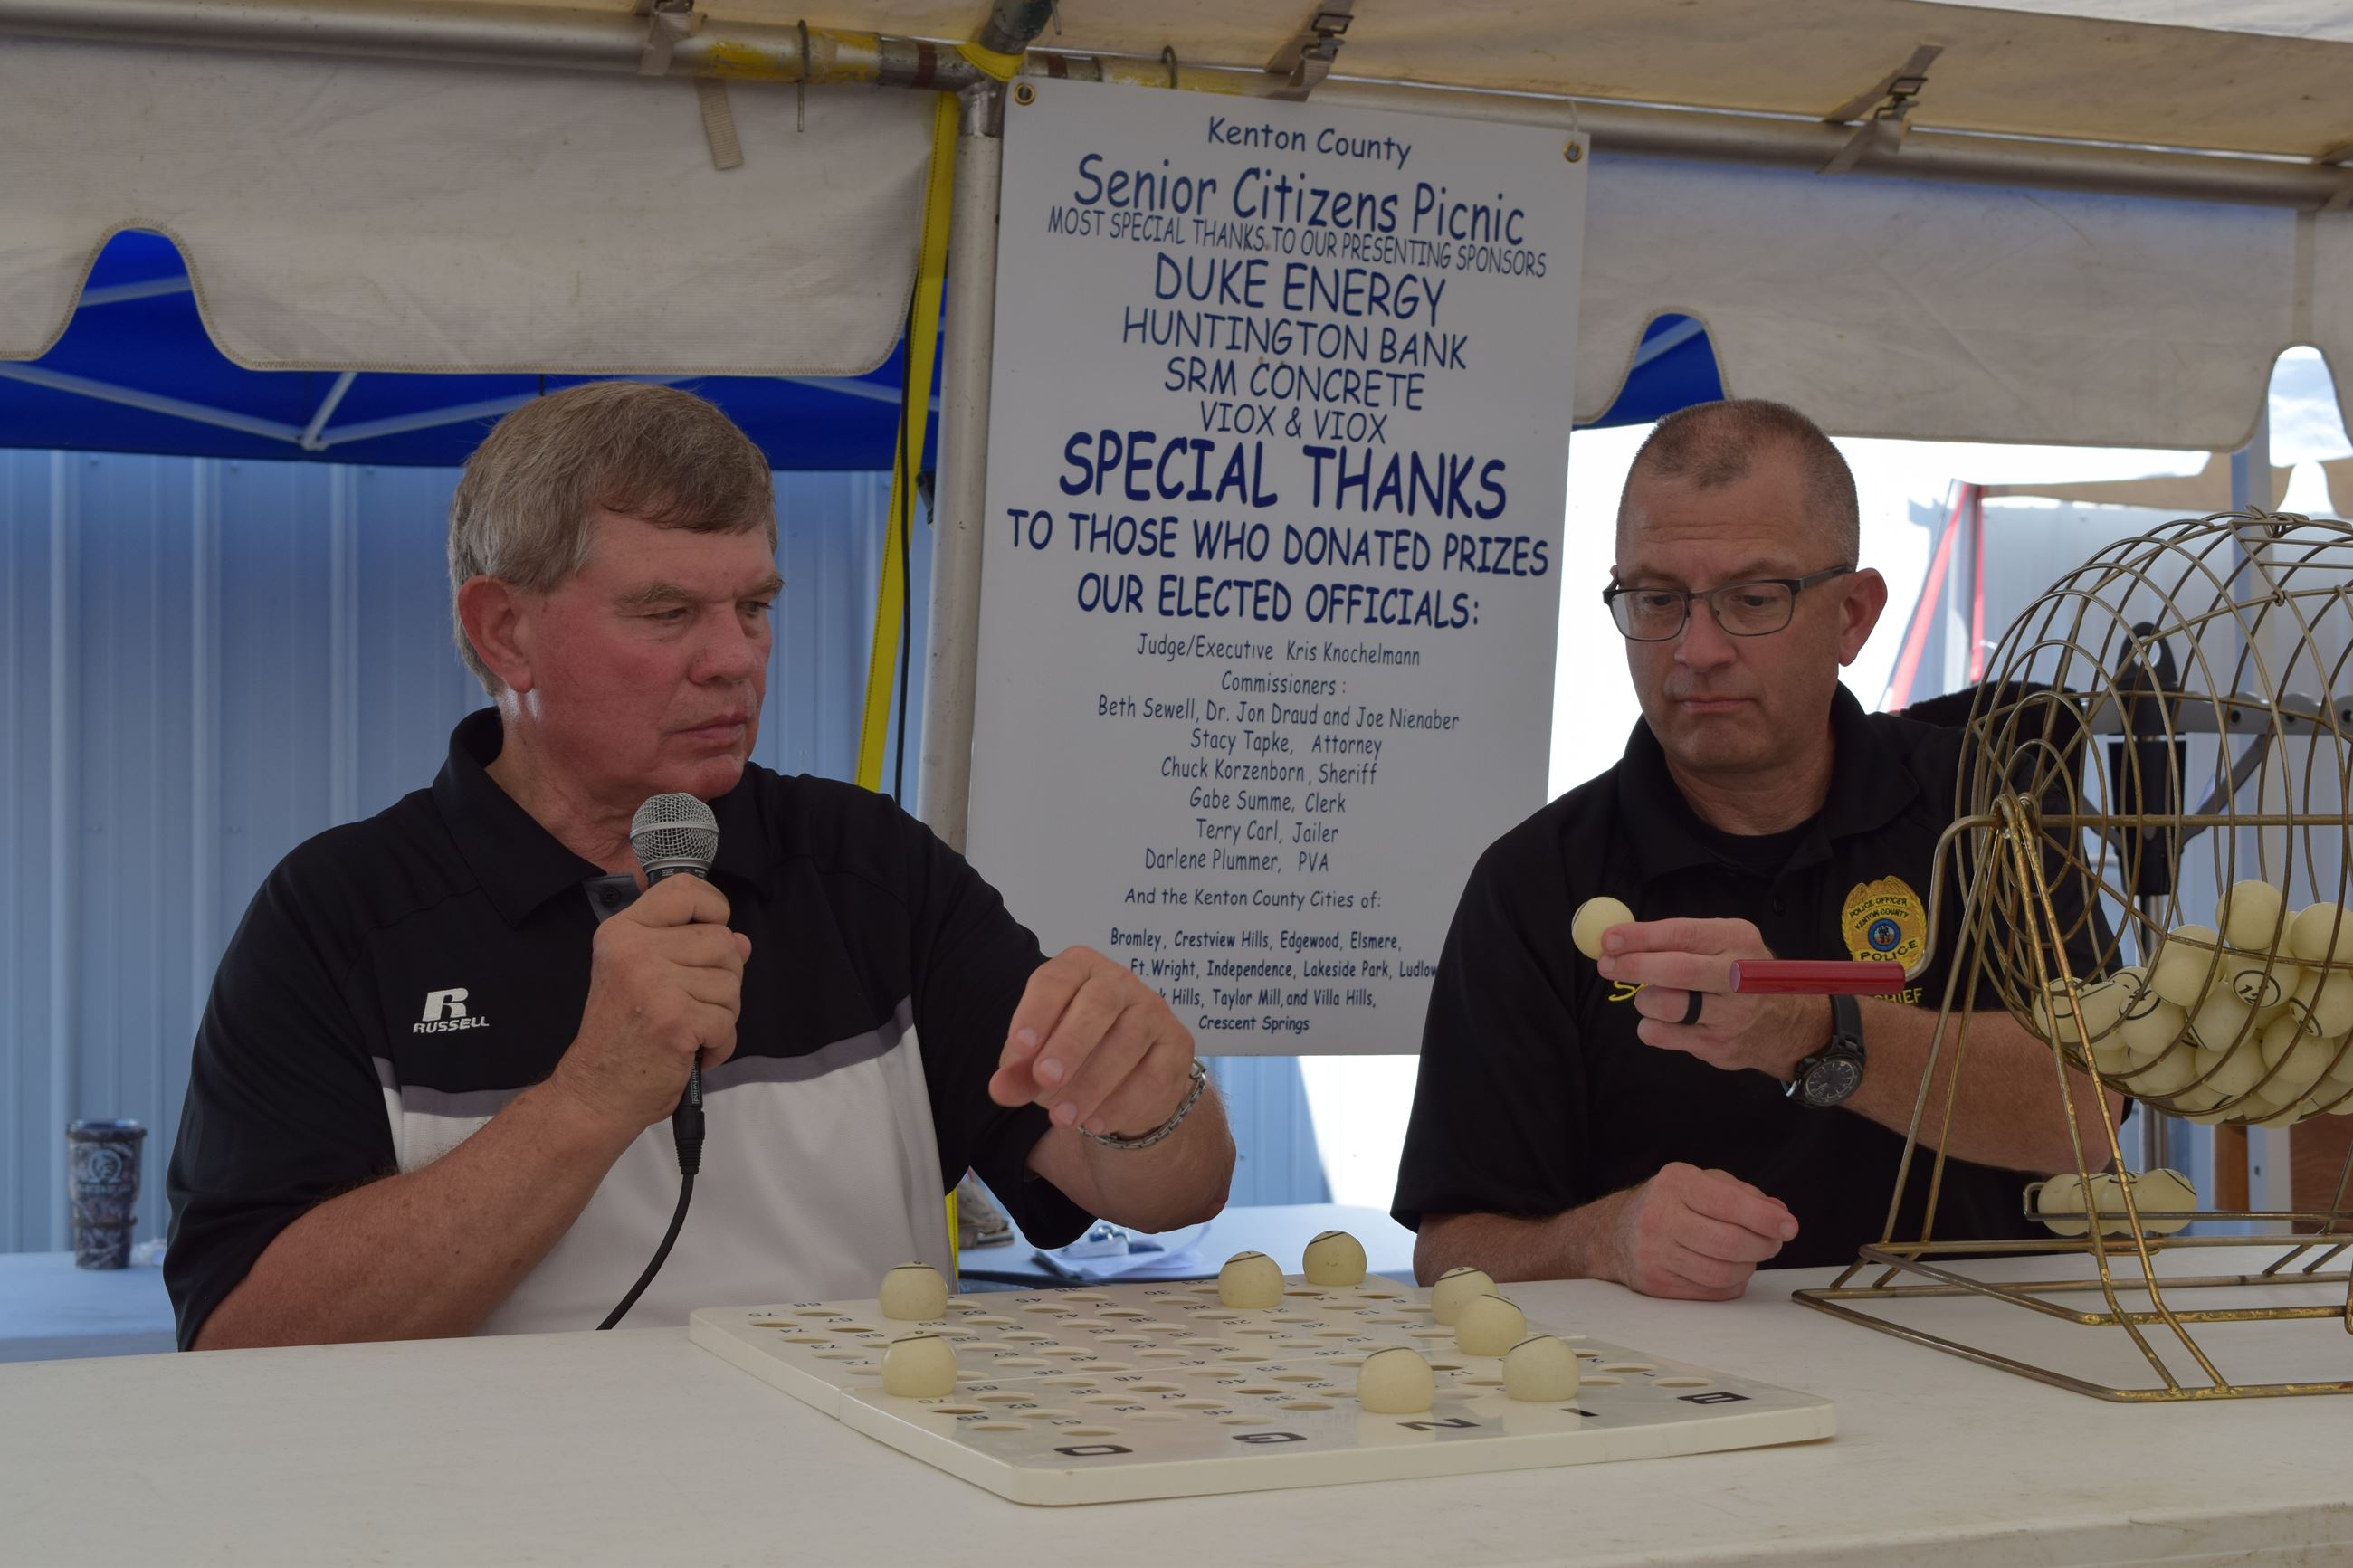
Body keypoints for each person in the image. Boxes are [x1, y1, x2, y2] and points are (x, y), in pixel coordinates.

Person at [165, 383, 1233, 1348]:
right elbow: (242, 1339)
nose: (734, 657)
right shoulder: (341, 914)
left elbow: (1167, 1193)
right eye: (667, 612)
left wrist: (1152, 1101)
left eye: (754, 606)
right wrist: (587, 1100)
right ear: (504, 634)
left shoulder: (868, 867)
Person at [1393, 399, 2120, 1300]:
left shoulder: (1985, 810)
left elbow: (2087, 1112)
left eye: (1751, 598)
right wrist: (1599, 1237)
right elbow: (1451, 1248)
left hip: (1995, 1383)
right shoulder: (1536, 882)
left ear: (1851, 615)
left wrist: (1812, 1027)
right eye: (1656, 598)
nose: (1695, 649)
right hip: (1669, 1412)